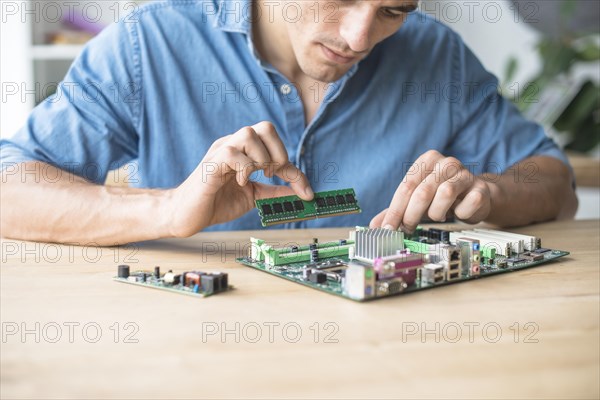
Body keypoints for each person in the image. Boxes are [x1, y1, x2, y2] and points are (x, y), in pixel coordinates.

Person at [0, 0, 578, 246]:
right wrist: (168, 209)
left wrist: (489, 192)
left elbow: (555, 183)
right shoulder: (146, 44)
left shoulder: (436, 56)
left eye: (393, 10)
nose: (359, 38)